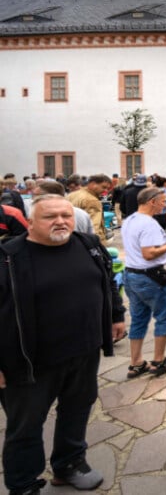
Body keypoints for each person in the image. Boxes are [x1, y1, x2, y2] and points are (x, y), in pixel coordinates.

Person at [0, 194, 125, 494]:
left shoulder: (88, 245)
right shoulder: (8, 258)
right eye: (50, 216)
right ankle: (23, 484)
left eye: (66, 215)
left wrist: (116, 315)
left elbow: (107, 281)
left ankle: (69, 463)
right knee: (25, 427)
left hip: (83, 352)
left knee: (77, 409)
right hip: (28, 362)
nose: (60, 221)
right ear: (29, 222)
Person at [121, 187, 166, 379]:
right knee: (165, 317)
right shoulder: (148, 224)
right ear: (152, 202)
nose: (165, 205)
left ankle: (136, 363)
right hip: (150, 276)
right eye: (162, 201)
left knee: (139, 319)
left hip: (132, 274)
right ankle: (159, 360)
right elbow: (149, 253)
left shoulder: (129, 220)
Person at [66, 174, 110, 242]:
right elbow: (93, 227)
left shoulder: (71, 195)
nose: (106, 191)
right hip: (87, 242)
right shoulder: (92, 201)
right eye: (103, 187)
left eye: (107, 188)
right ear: (93, 184)